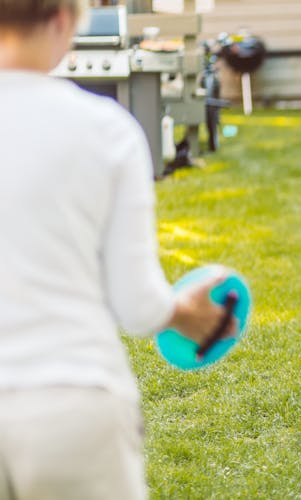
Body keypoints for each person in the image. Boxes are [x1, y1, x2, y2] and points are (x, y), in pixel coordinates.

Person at [0, 2, 235, 499]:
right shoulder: (106, 129)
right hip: (70, 401)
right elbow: (139, 307)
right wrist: (188, 315)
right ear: (61, 20)